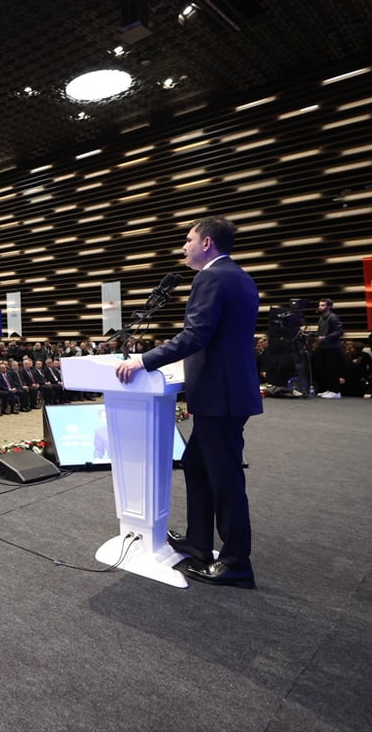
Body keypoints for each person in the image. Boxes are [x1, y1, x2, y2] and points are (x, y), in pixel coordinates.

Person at [115, 216, 261, 589]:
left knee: (226, 477)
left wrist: (143, 360)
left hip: (219, 394)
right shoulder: (240, 276)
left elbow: (196, 334)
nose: (184, 246)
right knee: (197, 464)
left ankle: (235, 563)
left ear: (207, 243)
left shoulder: (210, 277)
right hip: (228, 390)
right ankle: (198, 541)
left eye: (188, 239)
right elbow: (219, 337)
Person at [313, 298, 345, 398]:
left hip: (332, 347)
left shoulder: (333, 317)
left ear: (329, 307)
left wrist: (326, 337)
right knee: (324, 369)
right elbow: (321, 332)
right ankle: (328, 389)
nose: (320, 307)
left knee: (332, 369)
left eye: (323, 305)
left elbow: (339, 331)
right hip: (324, 347)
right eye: (320, 305)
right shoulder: (321, 318)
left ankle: (335, 391)